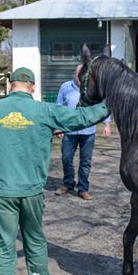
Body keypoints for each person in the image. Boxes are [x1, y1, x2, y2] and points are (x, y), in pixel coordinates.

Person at [0, 67, 109, 275]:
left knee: (3, 247)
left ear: (10, 84)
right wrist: (109, 104)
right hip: (33, 191)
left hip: (2, 190)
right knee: (35, 239)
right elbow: (82, 118)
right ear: (33, 87)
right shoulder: (45, 111)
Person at [54, 64, 111, 200]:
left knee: (85, 161)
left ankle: (83, 188)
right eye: (78, 74)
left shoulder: (93, 87)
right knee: (66, 159)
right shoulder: (65, 87)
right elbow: (58, 107)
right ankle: (68, 183)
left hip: (88, 132)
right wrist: (57, 126)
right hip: (69, 131)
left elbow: (101, 106)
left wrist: (107, 124)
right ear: (74, 74)